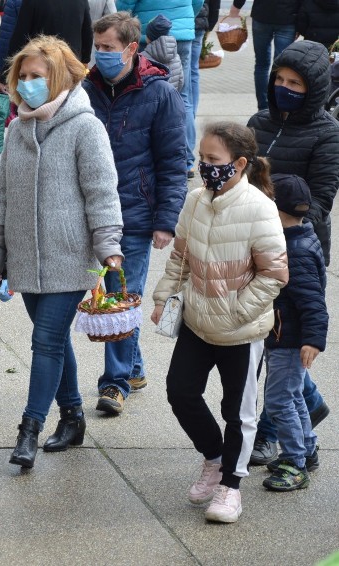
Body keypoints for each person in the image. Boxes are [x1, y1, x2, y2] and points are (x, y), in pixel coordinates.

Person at [0, 36, 123, 470]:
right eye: (21, 77)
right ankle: (74, 416)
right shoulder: (17, 128)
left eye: (35, 77)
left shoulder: (85, 126)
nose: (26, 85)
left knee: (44, 341)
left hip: (70, 256)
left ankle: (29, 429)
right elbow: (0, 197)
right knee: (56, 341)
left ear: (58, 76)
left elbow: (102, 192)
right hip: (25, 258)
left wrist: (110, 250)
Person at [152, 121, 288, 523]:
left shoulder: (259, 208)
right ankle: (214, 458)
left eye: (213, 160)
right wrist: (165, 298)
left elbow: (274, 274)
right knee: (180, 392)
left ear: (240, 163)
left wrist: (238, 311)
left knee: (239, 411)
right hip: (196, 320)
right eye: (202, 158)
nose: (205, 166)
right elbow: (180, 256)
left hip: (242, 332)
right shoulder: (195, 200)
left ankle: (231, 486)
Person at [83, 12, 187, 415]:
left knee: (119, 297)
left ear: (130, 49)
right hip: (92, 211)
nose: (100, 55)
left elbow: (174, 161)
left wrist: (165, 220)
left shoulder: (159, 94)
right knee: (111, 295)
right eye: (98, 47)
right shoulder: (84, 87)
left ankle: (115, 383)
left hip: (135, 215)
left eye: (108, 49)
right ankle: (134, 366)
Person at [246, 40, 338, 464]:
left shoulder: (327, 133)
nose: (284, 88)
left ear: (313, 89)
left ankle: (270, 433)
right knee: (270, 347)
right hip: (252, 250)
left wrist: (280, 225)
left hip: (298, 252)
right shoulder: (258, 121)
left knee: (281, 344)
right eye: (279, 80)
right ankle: (310, 404)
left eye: (295, 83)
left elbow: (320, 200)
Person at [261, 173, 325, 492]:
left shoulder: (293, 250)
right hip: (284, 336)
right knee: (294, 395)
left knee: (278, 399)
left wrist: (312, 340)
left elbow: (313, 302)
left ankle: (295, 462)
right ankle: (307, 448)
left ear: (274, 208)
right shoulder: (303, 235)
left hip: (288, 339)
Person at [117, 0, 202, 174]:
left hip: (147, 31)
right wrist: (184, 18)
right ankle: (186, 159)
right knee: (183, 96)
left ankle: (153, 152)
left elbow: (126, 3)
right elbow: (198, 2)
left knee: (145, 93)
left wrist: (125, 22)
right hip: (182, 31)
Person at [229, 0, 299, 111]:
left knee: (261, 65)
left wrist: (236, 6)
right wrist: (301, 22)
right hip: (288, 17)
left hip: (262, 15)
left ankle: (263, 108)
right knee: (281, 67)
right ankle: (277, 107)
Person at [7, 0, 93, 67]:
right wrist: (85, 60)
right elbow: (87, 33)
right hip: (70, 62)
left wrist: (6, 74)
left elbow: (20, 35)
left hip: (41, 63)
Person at [190, 0, 220, 169]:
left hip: (182, 21)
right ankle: (190, 113)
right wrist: (210, 21)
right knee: (192, 72)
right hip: (196, 21)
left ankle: (187, 114)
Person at [142, 14, 184, 91]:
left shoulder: (142, 58)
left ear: (149, 37)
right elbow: (181, 82)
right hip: (171, 100)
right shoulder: (176, 57)